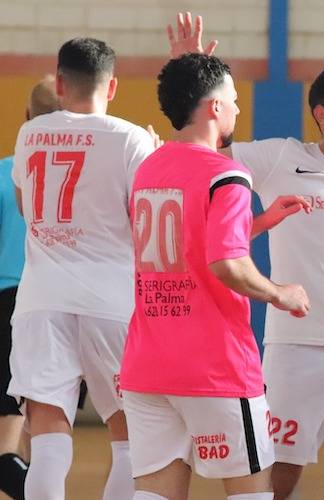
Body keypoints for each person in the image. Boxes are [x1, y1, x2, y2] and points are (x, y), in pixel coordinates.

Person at [167, 14, 324, 499]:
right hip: (296, 352)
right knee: (276, 480)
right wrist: (191, 68)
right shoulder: (280, 158)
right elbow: (208, 141)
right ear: (322, 113)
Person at [119, 52, 311, 500]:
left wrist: (256, 223)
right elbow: (225, 263)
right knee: (250, 492)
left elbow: (182, 241)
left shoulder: (149, 167)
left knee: (154, 493)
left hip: (148, 365)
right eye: (234, 98)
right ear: (213, 107)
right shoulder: (227, 174)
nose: (239, 108)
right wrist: (280, 293)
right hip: (214, 366)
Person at [9, 38, 155, 500]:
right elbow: (146, 221)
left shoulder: (29, 134)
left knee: (48, 441)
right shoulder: (131, 138)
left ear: (60, 81)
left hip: (41, 301)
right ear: (112, 86)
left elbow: (25, 207)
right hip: (111, 302)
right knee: (130, 439)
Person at [0, 75, 60, 500]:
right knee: (44, 435)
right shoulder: (89, 173)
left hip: (8, 302)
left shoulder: (6, 172)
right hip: (57, 303)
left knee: (8, 437)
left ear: (26, 119)